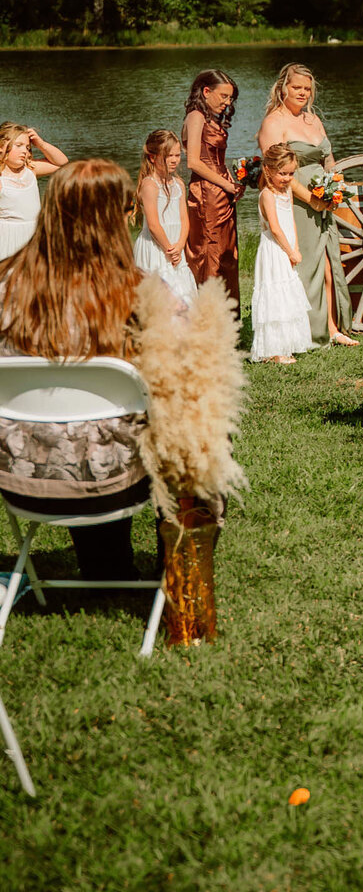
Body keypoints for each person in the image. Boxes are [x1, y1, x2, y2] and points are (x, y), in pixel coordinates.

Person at [0, 160, 155, 581]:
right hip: (119, 480)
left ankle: (107, 569)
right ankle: (176, 578)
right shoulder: (142, 293)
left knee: (76, 421)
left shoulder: (5, 288)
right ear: (115, 220)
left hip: (20, 478)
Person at [258, 64, 356, 347]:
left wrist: (334, 190)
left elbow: (329, 160)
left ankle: (332, 327)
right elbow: (276, 172)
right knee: (307, 265)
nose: (302, 93)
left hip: (322, 201)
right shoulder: (273, 123)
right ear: (283, 88)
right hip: (295, 204)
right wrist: (312, 200)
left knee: (327, 264)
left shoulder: (313, 120)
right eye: (296, 87)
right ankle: (307, 331)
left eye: (307, 89)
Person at [183, 69, 241, 308]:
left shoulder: (212, 119)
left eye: (230, 98)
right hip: (206, 193)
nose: (227, 102)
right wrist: (225, 183)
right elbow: (193, 162)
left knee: (228, 253)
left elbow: (217, 160)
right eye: (223, 96)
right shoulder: (196, 116)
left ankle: (229, 317)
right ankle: (209, 317)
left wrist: (233, 183)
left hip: (221, 192)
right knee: (210, 253)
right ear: (206, 91)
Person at [251, 145, 314, 365]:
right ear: (268, 170)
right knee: (275, 296)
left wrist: (295, 248)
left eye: (291, 173)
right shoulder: (267, 195)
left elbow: (291, 222)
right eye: (282, 173)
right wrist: (289, 251)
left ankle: (286, 344)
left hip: (287, 249)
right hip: (274, 249)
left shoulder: (286, 192)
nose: (287, 178)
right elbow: (276, 229)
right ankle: (273, 350)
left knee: (287, 296)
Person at [134, 129, 197, 306]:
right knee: (158, 299)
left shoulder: (178, 184)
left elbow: (184, 220)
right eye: (169, 156)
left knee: (182, 295)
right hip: (157, 247)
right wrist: (169, 249)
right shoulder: (149, 185)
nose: (175, 160)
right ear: (153, 157)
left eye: (177, 155)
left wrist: (180, 246)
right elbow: (153, 225)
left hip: (176, 247)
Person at [0, 122, 68, 260]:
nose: (24, 151)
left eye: (27, 147)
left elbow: (61, 163)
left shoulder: (30, 169)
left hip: (34, 233)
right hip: (8, 236)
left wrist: (41, 144)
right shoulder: (2, 178)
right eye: (18, 145)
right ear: (1, 147)